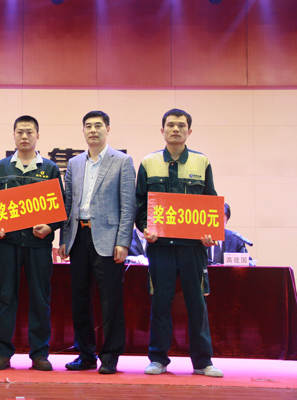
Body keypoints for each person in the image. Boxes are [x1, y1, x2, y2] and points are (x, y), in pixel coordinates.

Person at [136, 108, 223, 378]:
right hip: (160, 247)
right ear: (162, 130)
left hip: (192, 248)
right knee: (161, 303)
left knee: (197, 304)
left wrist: (210, 233)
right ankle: (158, 359)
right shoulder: (149, 162)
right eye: (171, 125)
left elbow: (210, 201)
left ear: (189, 131)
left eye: (181, 126)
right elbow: (140, 204)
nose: (176, 129)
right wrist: (145, 228)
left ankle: (203, 362)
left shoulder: (201, 162)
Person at [58, 111, 136, 374]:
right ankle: (85, 354)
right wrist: (64, 238)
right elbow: (68, 203)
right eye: (88, 126)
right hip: (78, 237)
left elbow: (128, 205)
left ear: (108, 129)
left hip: (108, 240)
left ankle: (111, 355)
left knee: (110, 300)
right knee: (79, 299)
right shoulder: (74, 163)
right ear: (83, 131)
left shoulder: (122, 161)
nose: (93, 130)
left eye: (98, 126)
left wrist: (123, 241)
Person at [0, 115, 63, 371]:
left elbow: (59, 208)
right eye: (20, 132)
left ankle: (40, 354)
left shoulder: (50, 169)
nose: (24, 136)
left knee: (40, 299)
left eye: (29, 132)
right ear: (13, 135)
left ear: (37, 136)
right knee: (5, 298)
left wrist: (50, 227)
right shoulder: (1, 168)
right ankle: (2, 353)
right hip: (8, 244)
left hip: (38, 245)